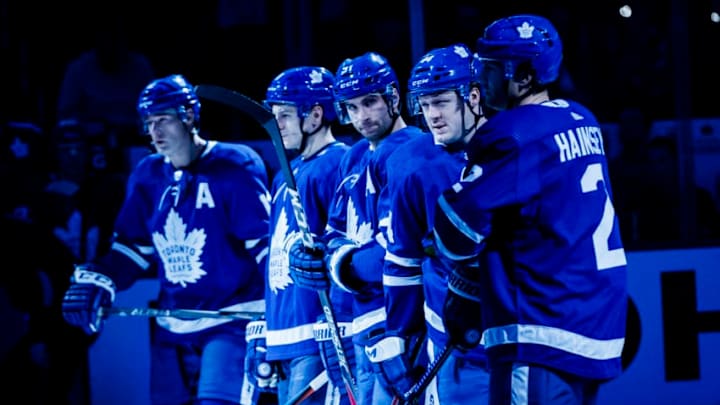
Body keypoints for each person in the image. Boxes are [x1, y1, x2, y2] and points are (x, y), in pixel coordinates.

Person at [431, 15, 628, 405]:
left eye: (489, 68)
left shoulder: (513, 132)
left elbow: (454, 233)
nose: (480, 79)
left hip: (540, 327)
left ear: (523, 77)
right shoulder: (581, 117)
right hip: (593, 318)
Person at [61, 74, 271, 405]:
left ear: (188, 116)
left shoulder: (235, 164)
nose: (154, 132)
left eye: (163, 120)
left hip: (233, 320)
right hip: (172, 324)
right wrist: (102, 279)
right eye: (149, 122)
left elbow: (264, 249)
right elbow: (133, 249)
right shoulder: (147, 174)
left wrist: (288, 308)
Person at [288, 52, 424, 405]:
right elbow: (334, 230)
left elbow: (395, 250)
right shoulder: (354, 155)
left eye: (369, 103)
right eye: (351, 107)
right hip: (357, 323)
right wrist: (314, 256)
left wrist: (339, 265)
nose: (361, 117)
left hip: (395, 323)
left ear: (393, 97)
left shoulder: (411, 151)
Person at [379, 43, 490, 404]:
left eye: (441, 101)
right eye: (425, 105)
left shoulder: (515, 147)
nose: (432, 115)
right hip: (454, 348)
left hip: (521, 338)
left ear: (473, 96)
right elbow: (403, 259)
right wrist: (401, 333)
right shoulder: (412, 164)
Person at [252, 65, 352, 405]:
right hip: (284, 336)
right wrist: (268, 329)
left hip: (316, 334)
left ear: (315, 114)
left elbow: (341, 245)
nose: (275, 125)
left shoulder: (338, 163)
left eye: (284, 115)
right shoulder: (285, 174)